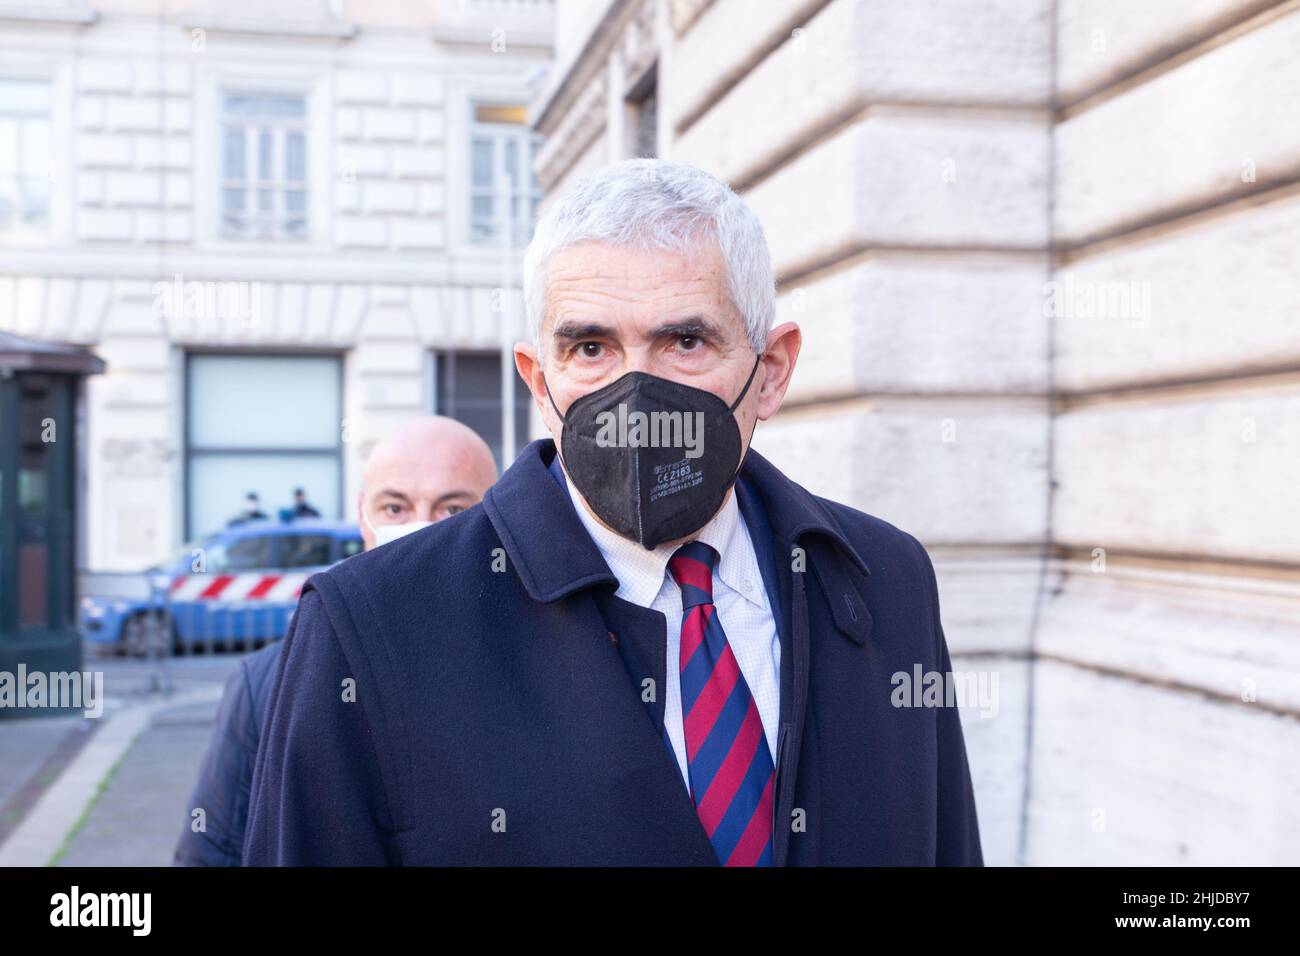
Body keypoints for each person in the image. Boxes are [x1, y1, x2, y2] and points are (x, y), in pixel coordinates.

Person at [243, 159, 984, 866]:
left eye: (685, 341)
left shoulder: (887, 581)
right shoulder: (372, 626)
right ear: (540, 379)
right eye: (591, 347)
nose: (636, 396)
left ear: (771, 371)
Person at [172, 416, 498, 866]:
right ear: (363, 517)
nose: (423, 530)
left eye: (453, 510)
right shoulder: (269, 683)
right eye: (395, 509)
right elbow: (211, 853)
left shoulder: (541, 669)